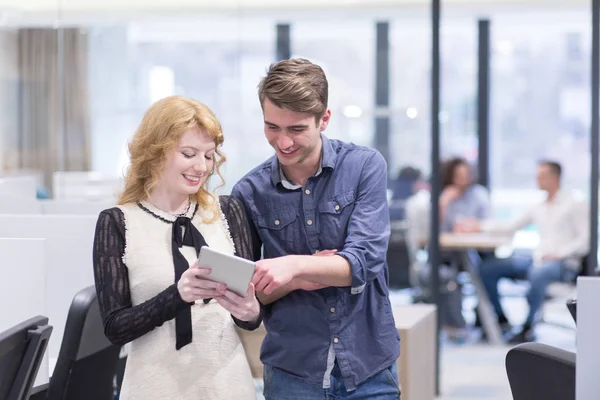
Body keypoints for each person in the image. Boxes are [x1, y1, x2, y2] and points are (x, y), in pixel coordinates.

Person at [232, 58, 400, 399]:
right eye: (272, 127)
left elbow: (364, 262)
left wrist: (290, 267)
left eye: (296, 129)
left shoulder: (364, 167)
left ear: (324, 119)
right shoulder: (248, 192)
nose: (283, 142)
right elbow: (246, 293)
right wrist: (316, 271)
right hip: (292, 372)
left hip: (368, 365)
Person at [92, 96, 261, 400]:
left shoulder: (229, 212)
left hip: (227, 385)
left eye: (209, 156)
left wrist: (250, 311)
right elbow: (115, 328)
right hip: (153, 387)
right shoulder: (118, 222)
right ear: (156, 153)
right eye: (189, 153)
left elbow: (249, 313)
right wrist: (177, 295)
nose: (202, 167)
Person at [455, 160, 589, 343]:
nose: (537, 180)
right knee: (487, 268)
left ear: (555, 177)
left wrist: (561, 253)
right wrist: (478, 226)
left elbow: (586, 240)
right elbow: (510, 226)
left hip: (563, 263)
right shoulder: (540, 206)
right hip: (538, 258)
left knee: (538, 273)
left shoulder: (574, 204)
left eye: (542, 176)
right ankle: (501, 319)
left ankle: (527, 326)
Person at [439, 157, 490, 232]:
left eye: (466, 175)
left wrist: (477, 226)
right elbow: (440, 228)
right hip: (451, 241)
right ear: (451, 177)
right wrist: (443, 203)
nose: (464, 179)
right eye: (459, 176)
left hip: (476, 240)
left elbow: (490, 222)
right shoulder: (445, 196)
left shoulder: (479, 194)